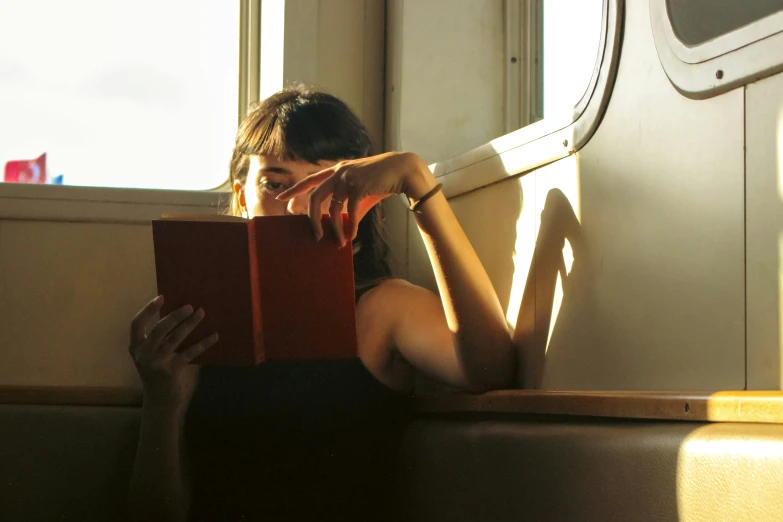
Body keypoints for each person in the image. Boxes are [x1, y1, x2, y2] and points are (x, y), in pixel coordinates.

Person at [127, 86, 515, 522]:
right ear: (241, 197)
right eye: (274, 183)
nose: (296, 205)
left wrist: (416, 182)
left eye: (326, 184)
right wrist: (162, 404)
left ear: (360, 198)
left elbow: (492, 368)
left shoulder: (383, 309)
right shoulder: (198, 326)